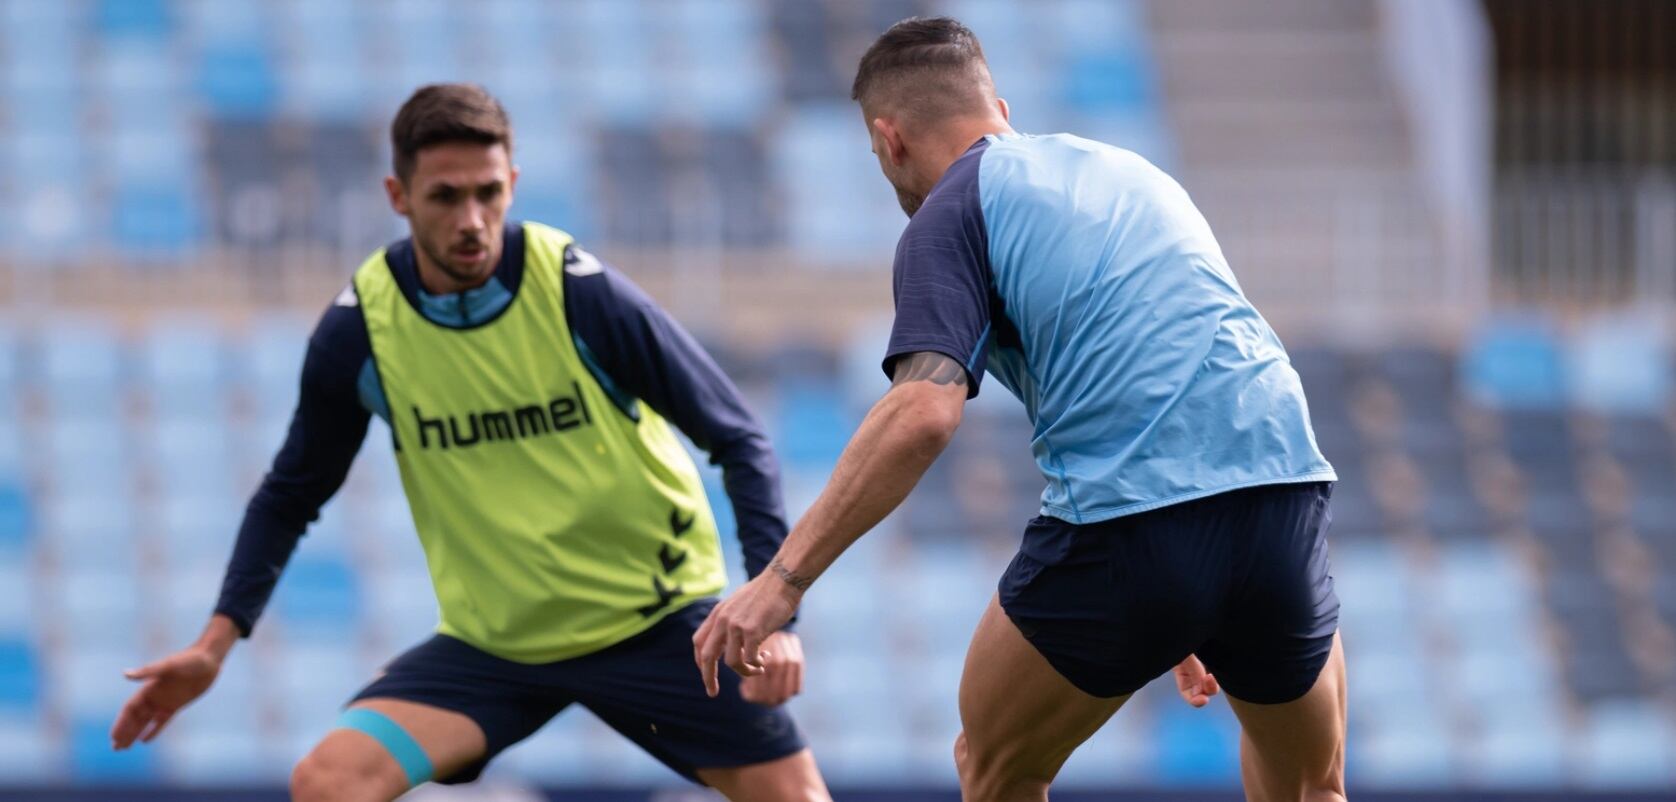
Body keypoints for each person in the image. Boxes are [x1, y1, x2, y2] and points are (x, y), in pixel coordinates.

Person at [110, 83, 830, 802]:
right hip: (499, 648)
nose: (472, 221)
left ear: (512, 181)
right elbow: (290, 495)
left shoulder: (578, 292)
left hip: (659, 624)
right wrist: (214, 646)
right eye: (445, 197)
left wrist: (775, 612)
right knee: (327, 781)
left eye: (489, 193)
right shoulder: (362, 330)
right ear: (398, 196)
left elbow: (739, 438)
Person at [695, 17, 1346, 802]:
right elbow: (1177, 358)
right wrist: (1188, 604)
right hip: (1282, 495)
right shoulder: (1129, 171)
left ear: (889, 141)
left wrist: (783, 581)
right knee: (1312, 786)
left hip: (1137, 523)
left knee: (998, 763)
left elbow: (923, 412)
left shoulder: (952, 210)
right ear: (998, 110)